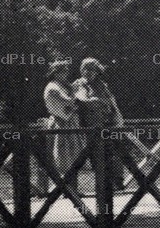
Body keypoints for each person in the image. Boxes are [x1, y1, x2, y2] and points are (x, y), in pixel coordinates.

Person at [73, 57, 128, 185]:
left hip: (107, 123)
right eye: (85, 69)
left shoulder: (101, 84)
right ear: (81, 70)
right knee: (96, 154)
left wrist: (118, 116)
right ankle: (103, 187)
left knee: (114, 151)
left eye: (92, 70)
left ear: (97, 71)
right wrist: (93, 101)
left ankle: (117, 181)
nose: (88, 72)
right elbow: (81, 96)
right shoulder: (79, 83)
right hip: (91, 126)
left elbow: (112, 101)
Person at [35, 58, 83, 196]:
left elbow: (72, 104)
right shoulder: (52, 88)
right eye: (63, 71)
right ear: (56, 73)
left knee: (72, 156)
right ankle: (54, 190)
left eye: (67, 71)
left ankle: (71, 190)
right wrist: (76, 93)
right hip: (61, 123)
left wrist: (74, 95)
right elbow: (68, 103)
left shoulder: (62, 86)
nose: (66, 74)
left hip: (69, 123)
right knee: (60, 157)